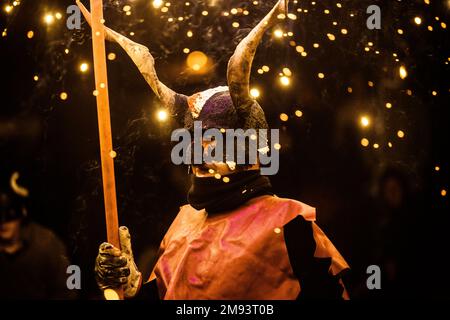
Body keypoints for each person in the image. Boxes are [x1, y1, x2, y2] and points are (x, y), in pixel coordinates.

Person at [77, 0, 350, 299]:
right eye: (194, 143)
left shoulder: (290, 225)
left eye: (213, 143)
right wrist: (128, 290)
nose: (197, 157)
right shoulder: (183, 224)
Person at [0, 170, 76, 299]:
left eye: (10, 214)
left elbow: (71, 283)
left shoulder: (47, 243)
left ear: (22, 213)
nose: (3, 223)